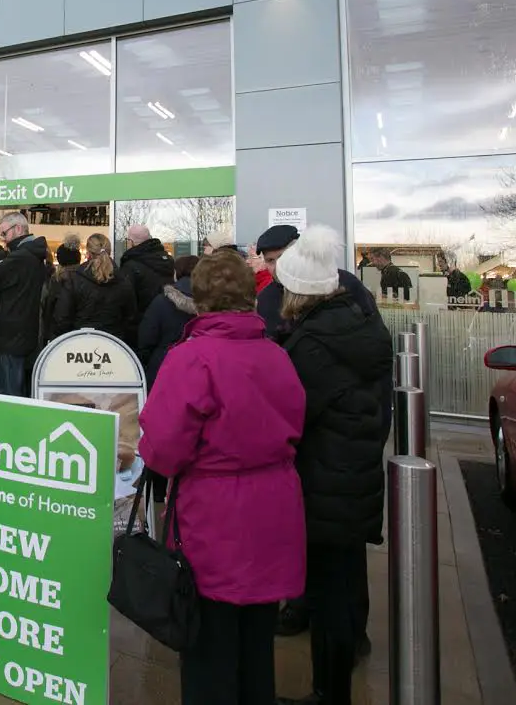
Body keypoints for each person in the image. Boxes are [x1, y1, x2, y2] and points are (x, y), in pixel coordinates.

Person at [139, 251, 307, 705]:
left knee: (209, 649)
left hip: (214, 514)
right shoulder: (276, 352)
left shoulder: (192, 357)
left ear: (201, 296)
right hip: (274, 507)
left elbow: (163, 450)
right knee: (257, 643)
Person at [271, 226, 392, 705]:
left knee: (327, 594)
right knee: (340, 586)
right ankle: (335, 682)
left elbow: (293, 419)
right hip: (355, 473)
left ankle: (329, 692)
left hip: (325, 482)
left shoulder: (313, 345)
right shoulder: (361, 323)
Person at [254, 225, 377, 338]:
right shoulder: (266, 299)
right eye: (270, 260)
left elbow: (373, 326)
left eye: (282, 257)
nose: (277, 266)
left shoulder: (344, 281)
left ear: (297, 253)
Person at [0, 212, 51, 396]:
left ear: (18, 228)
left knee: (9, 392)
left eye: (4, 233)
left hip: (10, 334)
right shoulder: (31, 256)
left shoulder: (20, 258)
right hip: (23, 332)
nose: (3, 239)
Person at [50, 233, 136, 343]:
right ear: (109, 252)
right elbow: (130, 319)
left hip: (79, 344)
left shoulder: (75, 279)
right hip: (113, 345)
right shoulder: (123, 281)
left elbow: (62, 319)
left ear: (88, 253)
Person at [136, 255, 200, 391]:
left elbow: (146, 338)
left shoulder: (161, 302)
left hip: (163, 368)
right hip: (199, 368)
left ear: (176, 273)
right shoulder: (213, 304)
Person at [119, 224, 176, 340]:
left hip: (139, 328)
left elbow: (126, 301)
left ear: (131, 242)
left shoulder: (130, 266)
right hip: (167, 322)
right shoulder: (168, 261)